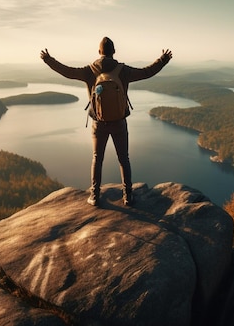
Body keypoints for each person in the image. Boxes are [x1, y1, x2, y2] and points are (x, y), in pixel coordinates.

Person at [40, 37, 172, 206]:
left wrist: (48, 60)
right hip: (119, 122)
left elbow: (67, 71)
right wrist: (163, 60)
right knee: (124, 158)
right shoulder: (123, 70)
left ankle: (94, 196)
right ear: (114, 52)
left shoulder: (89, 70)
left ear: (99, 52)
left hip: (98, 124)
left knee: (97, 158)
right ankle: (128, 196)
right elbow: (147, 72)